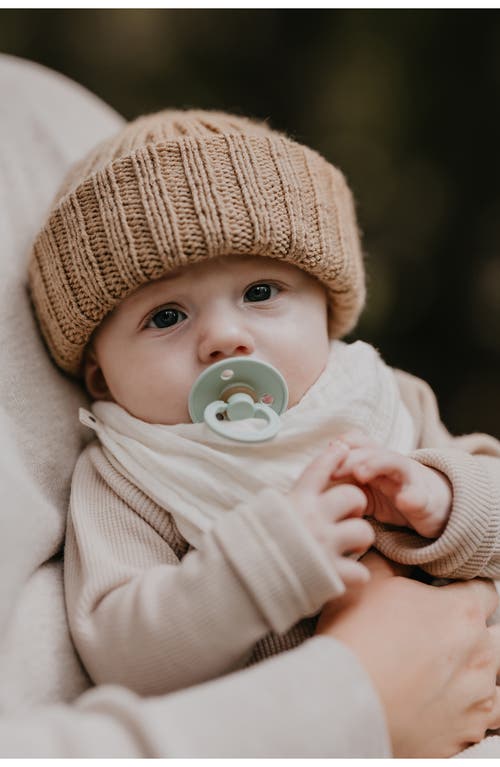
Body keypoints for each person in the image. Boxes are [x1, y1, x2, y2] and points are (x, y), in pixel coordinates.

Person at [1, 58, 498, 758]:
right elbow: (121, 649)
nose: (224, 336)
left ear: (328, 314)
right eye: (166, 315)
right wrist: (263, 564)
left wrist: (443, 498)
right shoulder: (129, 477)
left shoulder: (377, 399)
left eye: (262, 292)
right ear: (102, 377)